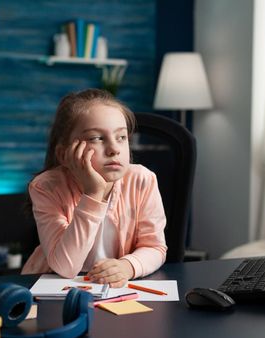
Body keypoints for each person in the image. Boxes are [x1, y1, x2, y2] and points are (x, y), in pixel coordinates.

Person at [22, 89, 167, 288]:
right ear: (65, 155)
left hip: (114, 291)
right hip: (52, 289)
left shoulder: (142, 180)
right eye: (96, 138)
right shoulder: (46, 187)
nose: (114, 149)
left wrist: (127, 266)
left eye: (121, 137)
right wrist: (93, 193)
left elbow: (155, 247)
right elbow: (65, 267)